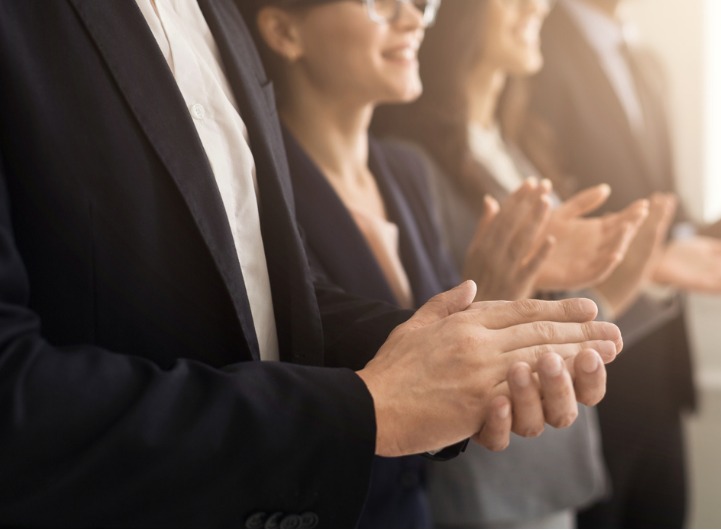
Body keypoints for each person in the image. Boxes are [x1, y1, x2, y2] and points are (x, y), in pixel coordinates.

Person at [0, 1, 623, 526]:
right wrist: (366, 407)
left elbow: (267, 290)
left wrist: (465, 352)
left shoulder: (216, 14)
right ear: (288, 34)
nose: (412, 16)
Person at [238, 0, 646, 525]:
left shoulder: (405, 170)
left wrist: (502, 293)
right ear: (282, 31)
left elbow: (443, 353)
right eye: (378, 4)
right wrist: (492, 292)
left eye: (418, 3)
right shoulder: (264, 187)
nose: (412, 19)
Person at [372, 0, 677, 527]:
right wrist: (609, 290)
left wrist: (631, 279)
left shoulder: (515, 147)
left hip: (548, 468)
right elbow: (444, 329)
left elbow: (540, 310)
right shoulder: (412, 161)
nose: (538, 5)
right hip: (485, 482)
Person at [528, 0, 721, 526]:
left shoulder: (645, 61)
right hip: (594, 375)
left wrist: (706, 238)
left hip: (662, 368)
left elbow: (662, 200)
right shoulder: (536, 48)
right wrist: (658, 258)